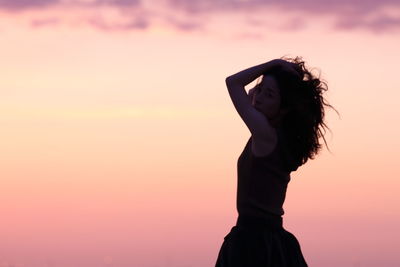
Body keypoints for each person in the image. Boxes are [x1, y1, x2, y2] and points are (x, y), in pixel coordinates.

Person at [215, 56, 339, 266]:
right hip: (272, 239)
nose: (259, 97)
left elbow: (233, 83)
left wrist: (274, 63)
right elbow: (250, 94)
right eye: (261, 89)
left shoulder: (266, 135)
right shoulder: (281, 139)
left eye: (270, 95)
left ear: (284, 108)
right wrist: (267, 85)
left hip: (252, 241)